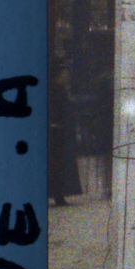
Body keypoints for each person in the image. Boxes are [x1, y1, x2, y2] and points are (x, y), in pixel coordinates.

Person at [49, 62, 82, 206]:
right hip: (57, 132)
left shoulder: (60, 90)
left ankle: (59, 194)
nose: (67, 76)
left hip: (60, 131)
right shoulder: (55, 91)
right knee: (57, 164)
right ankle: (58, 194)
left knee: (59, 164)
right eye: (64, 74)